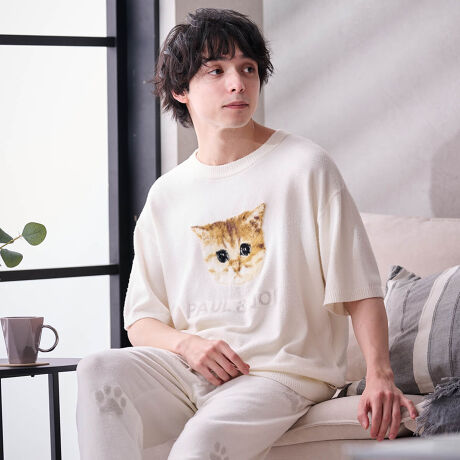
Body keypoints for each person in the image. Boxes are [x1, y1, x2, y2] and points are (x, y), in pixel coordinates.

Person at [75, 7, 418, 460]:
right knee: (99, 368)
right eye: (216, 70)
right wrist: (189, 346)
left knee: (202, 444)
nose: (237, 83)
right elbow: (140, 320)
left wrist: (380, 375)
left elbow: (359, 286)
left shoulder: (305, 166)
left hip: (280, 375)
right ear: (180, 90)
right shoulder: (167, 194)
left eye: (248, 69)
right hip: (189, 369)